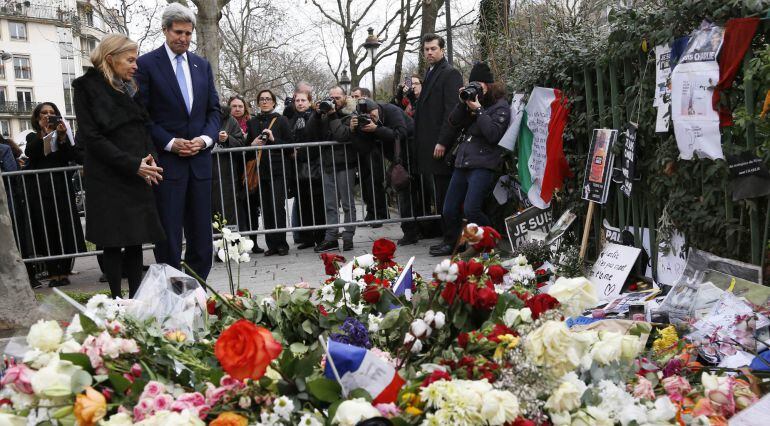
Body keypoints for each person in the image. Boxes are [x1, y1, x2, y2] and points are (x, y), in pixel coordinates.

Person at [73, 34, 166, 297]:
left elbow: (143, 126)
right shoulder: (85, 87)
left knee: (135, 240)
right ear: (111, 58)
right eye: (130, 60)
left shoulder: (130, 88)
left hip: (137, 172)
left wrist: (149, 159)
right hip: (107, 175)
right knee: (112, 241)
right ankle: (115, 299)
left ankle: (135, 299)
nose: (136, 66)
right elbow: (92, 137)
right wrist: (131, 164)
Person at [135, 3, 221, 279]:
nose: (183, 38)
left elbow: (213, 110)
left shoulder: (202, 65)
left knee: (202, 235)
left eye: (188, 33)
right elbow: (143, 115)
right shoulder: (146, 64)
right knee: (169, 235)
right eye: (178, 32)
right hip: (168, 164)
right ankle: (171, 290)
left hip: (200, 163)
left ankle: (197, 290)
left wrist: (205, 140)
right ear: (165, 30)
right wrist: (171, 143)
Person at [430, 63, 510, 256]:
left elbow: (493, 134)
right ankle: (459, 244)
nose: (476, 87)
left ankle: (491, 243)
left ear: (489, 85)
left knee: (472, 209)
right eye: (473, 83)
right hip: (462, 163)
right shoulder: (469, 102)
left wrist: (480, 110)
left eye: (480, 84)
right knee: (449, 209)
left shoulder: (501, 107)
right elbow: (454, 122)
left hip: (483, 164)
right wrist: (462, 102)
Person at [24, 102, 86, 287]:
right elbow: (32, 153)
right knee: (47, 229)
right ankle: (52, 273)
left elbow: (71, 156)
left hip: (62, 188)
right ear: (37, 117)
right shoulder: (32, 136)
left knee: (66, 228)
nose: (48, 116)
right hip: (41, 191)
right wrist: (44, 131)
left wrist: (61, 137)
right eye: (44, 113)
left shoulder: (63, 134)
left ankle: (64, 271)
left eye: (52, 113)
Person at [413, 33, 463, 243]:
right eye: (426, 49)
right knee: (440, 195)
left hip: (442, 146)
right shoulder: (431, 72)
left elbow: (451, 111)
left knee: (446, 196)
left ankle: (452, 240)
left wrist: (443, 141)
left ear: (442, 49)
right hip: (430, 146)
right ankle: (447, 237)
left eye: (433, 48)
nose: (430, 52)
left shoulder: (450, 73)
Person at [307, 86, 356, 252]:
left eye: (337, 97)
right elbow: (311, 133)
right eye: (331, 97)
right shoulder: (325, 113)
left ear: (345, 97)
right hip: (327, 164)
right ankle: (331, 238)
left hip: (345, 164)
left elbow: (342, 135)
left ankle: (348, 236)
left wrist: (333, 114)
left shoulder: (351, 114)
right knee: (330, 204)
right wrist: (317, 114)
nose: (334, 100)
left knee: (348, 203)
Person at [245, 89, 292, 256]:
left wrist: (273, 140)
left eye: (268, 99)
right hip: (260, 171)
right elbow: (247, 151)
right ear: (258, 103)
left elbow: (289, 145)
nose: (264, 102)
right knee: (266, 208)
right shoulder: (252, 123)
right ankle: (271, 244)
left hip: (278, 170)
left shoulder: (282, 120)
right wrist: (252, 144)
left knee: (277, 207)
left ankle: (282, 244)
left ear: (273, 102)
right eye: (262, 99)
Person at [289, 90, 326, 249]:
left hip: (315, 165)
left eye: (303, 100)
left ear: (309, 101)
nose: (300, 103)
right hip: (297, 168)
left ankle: (321, 236)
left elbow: (318, 138)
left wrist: (301, 153)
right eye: (297, 100)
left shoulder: (316, 117)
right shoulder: (290, 119)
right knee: (302, 202)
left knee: (317, 202)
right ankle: (307, 238)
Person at [227, 95, 264, 254]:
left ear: (245, 108)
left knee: (252, 207)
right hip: (230, 170)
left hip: (249, 170)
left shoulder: (251, 124)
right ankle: (233, 245)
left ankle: (253, 242)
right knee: (233, 209)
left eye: (240, 106)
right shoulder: (224, 123)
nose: (237, 109)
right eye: (234, 106)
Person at [349, 87, 387, 227]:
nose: (354, 99)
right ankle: (371, 213)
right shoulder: (354, 112)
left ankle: (380, 214)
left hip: (374, 150)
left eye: (357, 96)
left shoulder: (373, 109)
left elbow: (379, 127)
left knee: (375, 183)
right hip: (362, 151)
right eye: (352, 96)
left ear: (365, 97)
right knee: (366, 185)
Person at [212, 103, 245, 228]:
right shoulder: (199, 117)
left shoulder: (230, 121)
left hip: (226, 174)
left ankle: (231, 244)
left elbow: (241, 144)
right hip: (204, 172)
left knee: (228, 209)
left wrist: (228, 139)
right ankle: (210, 245)